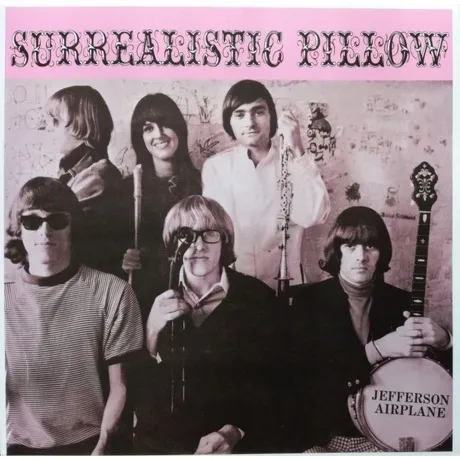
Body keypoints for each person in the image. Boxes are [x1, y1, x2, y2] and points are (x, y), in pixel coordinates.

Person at [289, 206, 452, 452]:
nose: (361, 256)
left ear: (381, 253)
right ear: (337, 251)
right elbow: (307, 382)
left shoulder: (402, 302)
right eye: (350, 246)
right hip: (328, 434)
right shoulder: (308, 302)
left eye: (370, 246)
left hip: (389, 433)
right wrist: (378, 349)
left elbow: (432, 379)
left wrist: (446, 341)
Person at [130, 195, 283, 454]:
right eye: (186, 235)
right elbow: (131, 386)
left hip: (232, 446)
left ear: (224, 241)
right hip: (160, 446)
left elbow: (275, 385)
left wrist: (234, 432)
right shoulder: (146, 296)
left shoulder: (259, 299)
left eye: (209, 234)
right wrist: (152, 330)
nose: (198, 245)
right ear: (172, 244)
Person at [5, 177, 144, 455]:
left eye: (57, 221)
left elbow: (121, 387)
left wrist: (102, 447)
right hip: (16, 447)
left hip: (92, 444)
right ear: (19, 229)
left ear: (73, 227)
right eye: (32, 221)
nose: (45, 231)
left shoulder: (113, 292)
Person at [202, 79, 330, 290]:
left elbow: (313, 215)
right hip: (234, 289)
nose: (250, 123)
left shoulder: (295, 163)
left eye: (258, 112)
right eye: (240, 114)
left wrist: (298, 149)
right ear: (229, 122)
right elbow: (214, 233)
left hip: (284, 287)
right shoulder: (216, 168)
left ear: (272, 117)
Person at [121, 93, 202, 321]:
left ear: (179, 130)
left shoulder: (203, 184)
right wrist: (123, 259)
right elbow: (110, 249)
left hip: (193, 300)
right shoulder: (125, 191)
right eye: (148, 128)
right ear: (140, 138)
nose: (159, 134)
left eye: (165, 124)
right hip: (143, 305)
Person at [46, 85, 124, 275]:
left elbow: (57, 235)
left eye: (56, 121)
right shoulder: (72, 173)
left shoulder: (98, 177)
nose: (48, 128)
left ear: (82, 127)